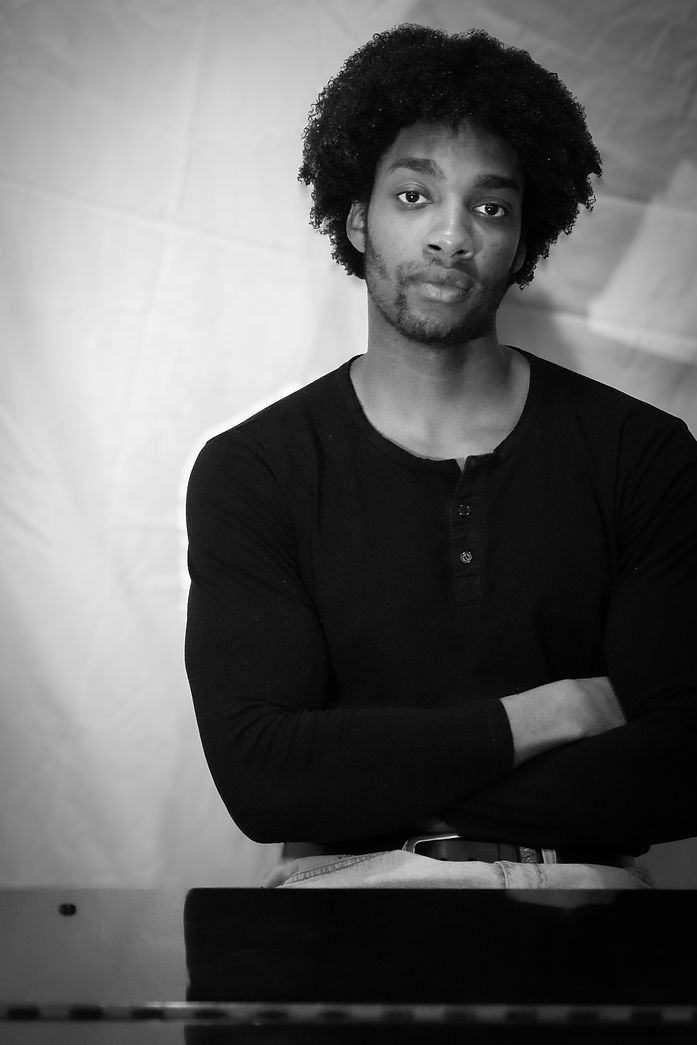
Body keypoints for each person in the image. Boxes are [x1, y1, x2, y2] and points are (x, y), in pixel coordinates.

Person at [185, 25, 697, 889]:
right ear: (357, 218)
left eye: (489, 207)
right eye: (414, 195)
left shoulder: (640, 455)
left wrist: (376, 782)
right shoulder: (254, 471)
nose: (450, 235)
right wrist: (550, 713)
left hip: (582, 898)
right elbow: (263, 777)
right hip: (339, 898)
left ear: (522, 241)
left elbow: (682, 764)